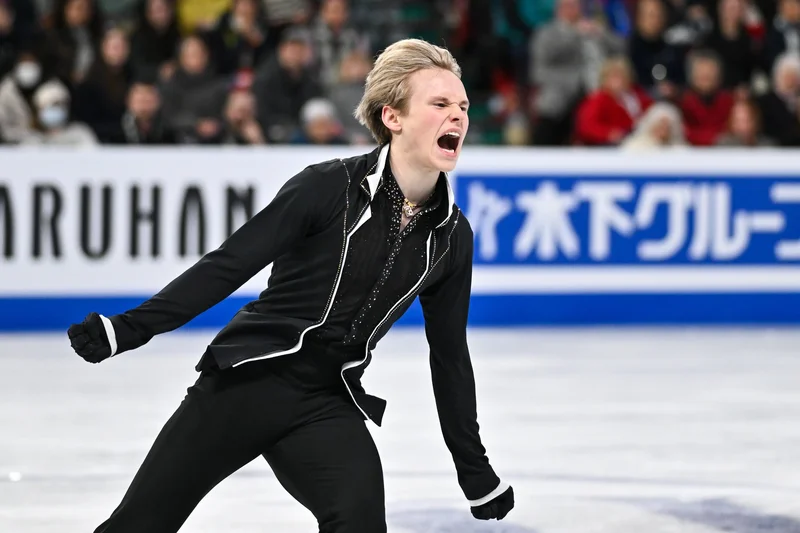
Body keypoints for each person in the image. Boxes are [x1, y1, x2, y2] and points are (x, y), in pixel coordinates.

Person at [67, 38, 514, 533]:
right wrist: (129, 328)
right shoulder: (327, 187)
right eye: (440, 103)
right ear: (393, 117)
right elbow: (228, 265)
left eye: (463, 106)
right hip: (246, 381)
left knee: (360, 523)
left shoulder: (451, 236)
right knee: (139, 525)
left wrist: (473, 469)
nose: (458, 116)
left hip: (327, 400)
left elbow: (450, 357)